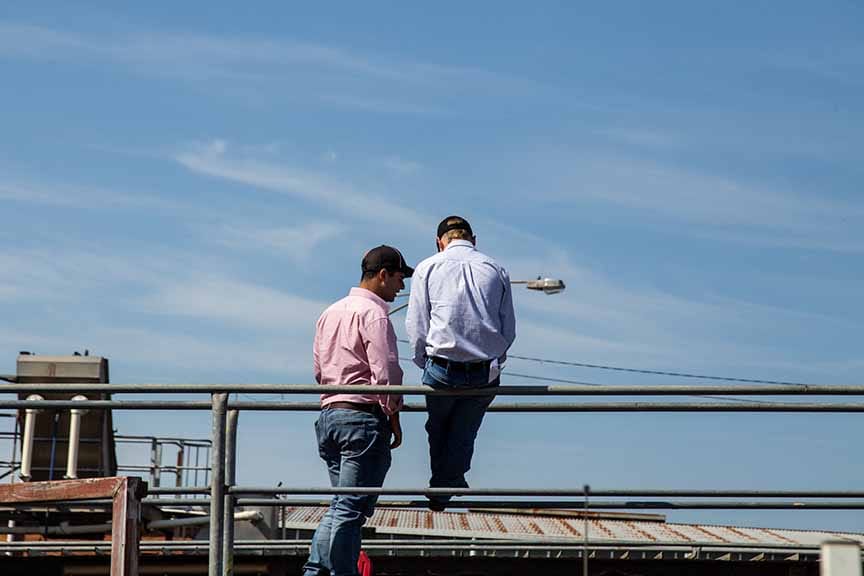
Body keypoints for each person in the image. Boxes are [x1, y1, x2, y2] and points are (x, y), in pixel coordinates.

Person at [303, 245, 413, 576]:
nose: (401, 287)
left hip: (330, 415)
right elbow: (386, 372)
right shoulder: (375, 314)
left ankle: (315, 571)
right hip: (362, 419)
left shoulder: (329, 312)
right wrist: (393, 414)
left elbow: (320, 370)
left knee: (342, 506)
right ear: (382, 275)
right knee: (350, 509)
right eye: (398, 278)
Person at [406, 216, 516, 511]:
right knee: (465, 430)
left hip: (442, 366)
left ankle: (445, 484)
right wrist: (495, 358)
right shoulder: (495, 268)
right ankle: (449, 481)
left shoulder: (428, 267)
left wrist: (423, 361)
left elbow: (417, 323)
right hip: (483, 370)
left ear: (439, 241)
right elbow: (508, 328)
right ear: (474, 239)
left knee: (438, 428)